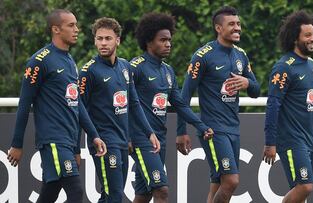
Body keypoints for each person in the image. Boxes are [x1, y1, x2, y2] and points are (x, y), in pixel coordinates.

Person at [7, 9, 107, 203]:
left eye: (76, 25)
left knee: (50, 192)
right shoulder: (39, 61)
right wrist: (17, 144)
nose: (77, 29)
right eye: (71, 25)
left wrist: (92, 136)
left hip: (68, 142)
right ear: (56, 29)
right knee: (75, 192)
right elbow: (24, 103)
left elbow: (76, 103)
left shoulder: (69, 60)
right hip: (53, 140)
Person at [177, 6, 260, 203]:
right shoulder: (203, 56)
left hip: (233, 128)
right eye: (231, 24)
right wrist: (181, 132)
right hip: (212, 130)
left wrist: (246, 83)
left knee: (217, 183)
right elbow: (184, 96)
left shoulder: (241, 55)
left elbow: (256, 91)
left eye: (238, 24)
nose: (237, 28)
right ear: (218, 28)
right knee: (231, 181)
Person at [129, 13, 214, 203]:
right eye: (163, 40)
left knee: (143, 195)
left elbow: (180, 104)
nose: (168, 44)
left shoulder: (167, 71)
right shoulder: (135, 67)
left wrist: (201, 126)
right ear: (149, 41)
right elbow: (123, 103)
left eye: (169, 39)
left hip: (160, 138)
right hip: (142, 139)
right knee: (162, 190)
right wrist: (128, 136)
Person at [262, 10, 313, 203]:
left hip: (308, 139)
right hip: (290, 140)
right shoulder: (284, 67)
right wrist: (270, 142)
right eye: (307, 35)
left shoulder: (311, 65)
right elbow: (273, 104)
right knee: (305, 186)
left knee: (302, 191)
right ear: (294, 38)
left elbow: (312, 101)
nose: (312, 38)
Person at [79, 17, 160, 203]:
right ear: (94, 41)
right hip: (104, 143)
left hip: (123, 140)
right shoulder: (88, 71)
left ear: (118, 40)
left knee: (109, 196)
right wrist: (91, 137)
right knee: (115, 196)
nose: (103, 43)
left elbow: (134, 103)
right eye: (99, 39)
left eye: (108, 38)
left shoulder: (125, 67)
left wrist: (149, 132)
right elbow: (78, 108)